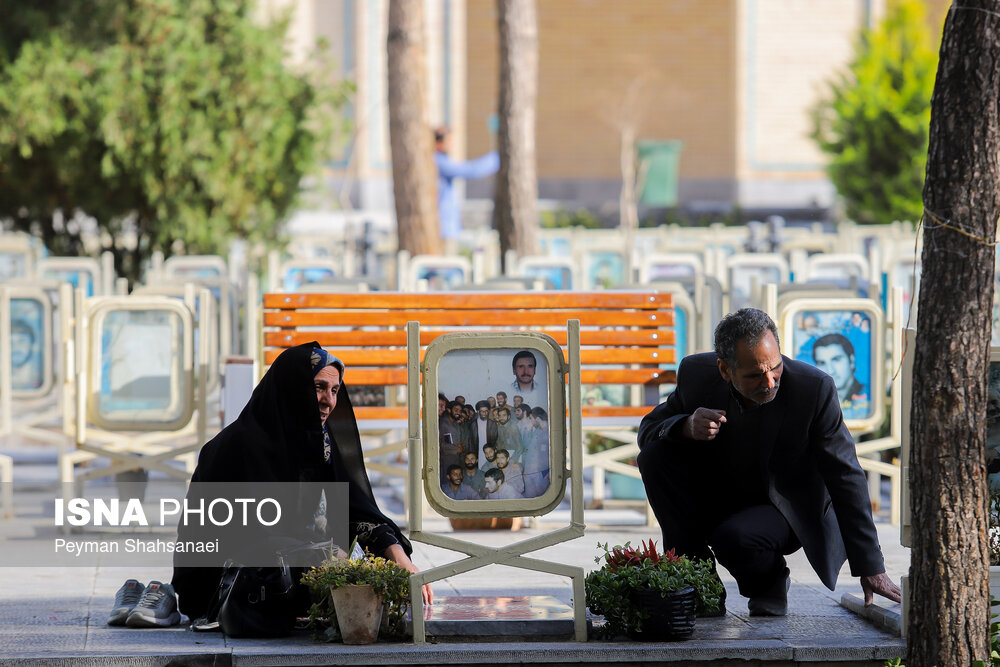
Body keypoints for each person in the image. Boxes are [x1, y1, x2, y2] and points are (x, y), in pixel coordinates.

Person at [636, 308, 899, 617]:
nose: (770, 382)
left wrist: (870, 565)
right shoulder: (697, 374)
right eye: (754, 375)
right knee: (655, 457)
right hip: (719, 492)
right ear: (724, 370)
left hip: (784, 508)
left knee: (735, 537)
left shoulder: (813, 389)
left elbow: (845, 474)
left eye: (775, 368)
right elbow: (648, 431)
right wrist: (685, 425)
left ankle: (769, 584)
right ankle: (698, 584)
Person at [172, 342, 432, 621]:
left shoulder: (318, 443)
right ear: (290, 387)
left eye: (334, 391)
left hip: (289, 568)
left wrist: (399, 559)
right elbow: (250, 535)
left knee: (371, 567)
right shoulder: (238, 447)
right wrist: (331, 558)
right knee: (345, 568)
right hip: (226, 585)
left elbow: (353, 510)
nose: (329, 401)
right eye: (319, 387)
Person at [433, 125, 499, 245]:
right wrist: (496, 158)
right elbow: (470, 170)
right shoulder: (438, 161)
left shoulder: (441, 160)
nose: (452, 145)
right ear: (438, 143)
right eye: (449, 141)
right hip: (442, 227)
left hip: (446, 226)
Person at [812, 333, 869, 419]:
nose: (830, 370)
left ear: (852, 361)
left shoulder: (870, 396)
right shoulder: (812, 402)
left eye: (836, 359)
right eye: (822, 363)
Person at [471, 400, 499, 465]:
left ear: (489, 411)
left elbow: (495, 440)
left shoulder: (493, 424)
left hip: (490, 453)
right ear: (478, 412)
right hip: (478, 452)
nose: (484, 413)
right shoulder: (473, 424)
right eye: (482, 411)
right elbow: (471, 442)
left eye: (486, 411)